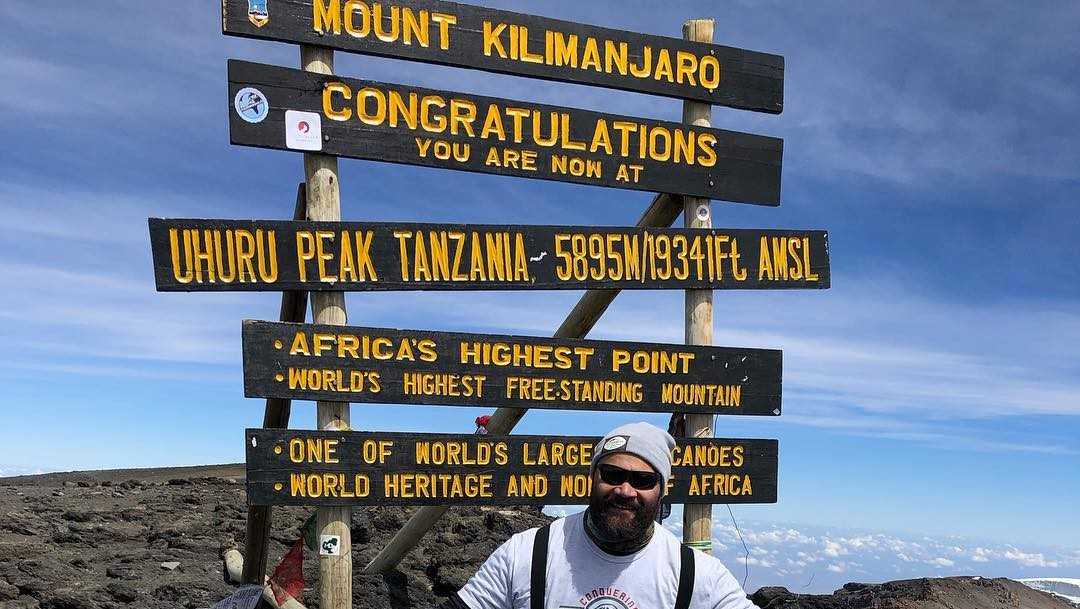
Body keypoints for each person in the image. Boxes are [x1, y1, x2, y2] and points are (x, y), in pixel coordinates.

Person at [439, 422, 758, 609]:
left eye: (643, 480)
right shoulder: (526, 554)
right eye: (612, 474)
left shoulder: (697, 576)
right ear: (592, 477)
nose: (625, 490)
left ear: (661, 491)